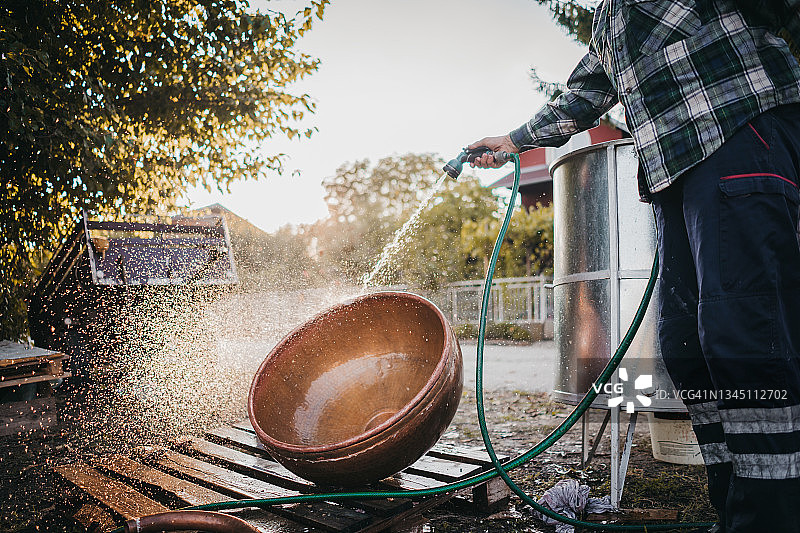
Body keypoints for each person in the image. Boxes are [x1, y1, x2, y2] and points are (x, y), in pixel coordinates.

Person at [469, 2, 800, 532]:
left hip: (738, 132)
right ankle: (736, 506)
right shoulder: (610, 16)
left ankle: (771, 516)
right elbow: (586, 91)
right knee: (685, 346)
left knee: (745, 338)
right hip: (673, 173)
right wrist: (514, 140)